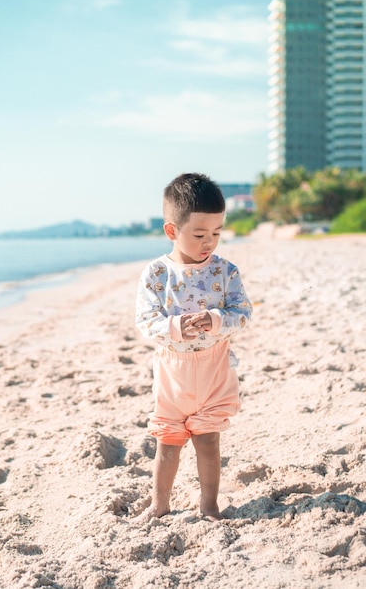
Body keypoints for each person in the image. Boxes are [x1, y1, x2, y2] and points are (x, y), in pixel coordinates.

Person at [135, 173, 252, 521]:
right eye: (200, 234)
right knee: (168, 439)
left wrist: (216, 320)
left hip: (214, 366)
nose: (210, 243)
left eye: (217, 233)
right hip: (173, 371)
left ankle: (210, 505)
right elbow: (145, 321)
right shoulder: (156, 274)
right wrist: (174, 326)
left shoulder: (225, 271)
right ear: (172, 231)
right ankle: (160, 504)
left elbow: (243, 314)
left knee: (208, 439)